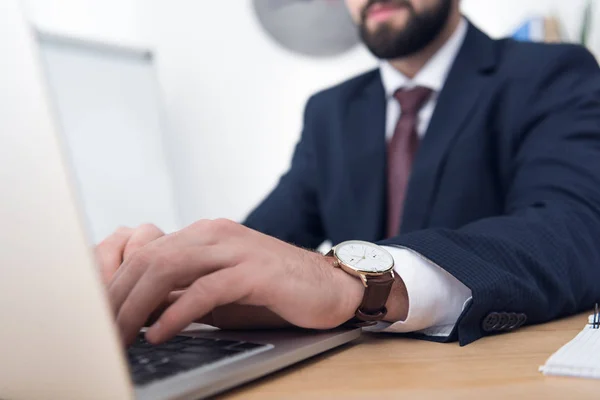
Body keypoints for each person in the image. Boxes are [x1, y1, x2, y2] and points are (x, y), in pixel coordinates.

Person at [97, 0, 600, 347]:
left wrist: (360, 285)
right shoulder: (330, 112)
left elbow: (575, 229)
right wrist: (171, 270)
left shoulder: (552, 72)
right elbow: (263, 242)